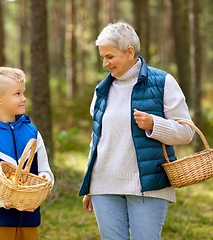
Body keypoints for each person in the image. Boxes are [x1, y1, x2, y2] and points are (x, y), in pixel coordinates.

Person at [79, 22, 195, 240]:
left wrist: (155, 124)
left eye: (110, 57)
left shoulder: (163, 82)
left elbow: (187, 132)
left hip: (149, 186)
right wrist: (90, 185)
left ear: (129, 52)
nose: (105, 64)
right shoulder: (101, 90)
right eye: (103, 57)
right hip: (104, 185)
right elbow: (97, 140)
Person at [0, 67, 54, 240]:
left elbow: (45, 170)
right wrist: (4, 201)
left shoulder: (32, 132)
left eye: (23, 93)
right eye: (17, 94)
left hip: (29, 217)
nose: (24, 98)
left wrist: (46, 182)